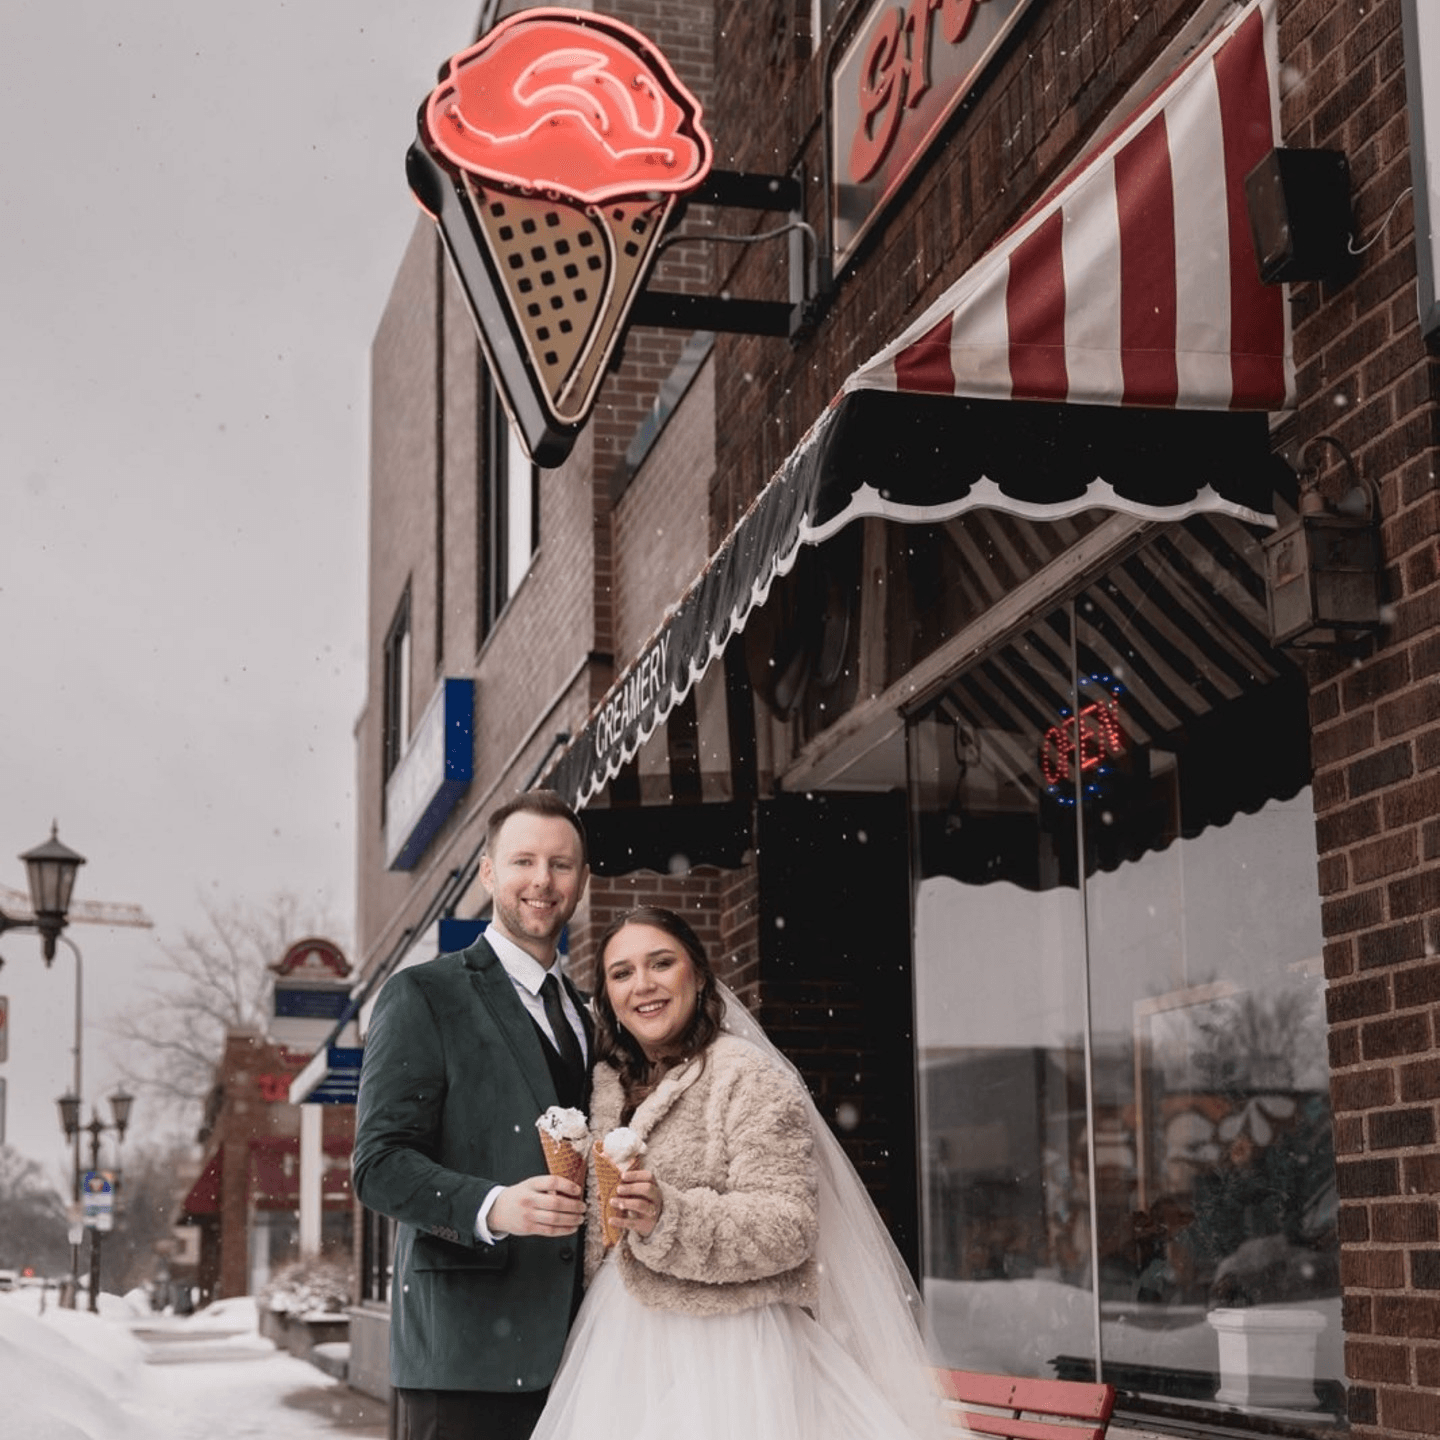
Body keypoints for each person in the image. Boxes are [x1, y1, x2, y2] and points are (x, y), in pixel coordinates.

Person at [530, 905, 950, 1440]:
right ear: (607, 998)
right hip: (613, 1345)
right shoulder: (605, 1089)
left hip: (730, 1351)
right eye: (622, 973)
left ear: (699, 975)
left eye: (661, 963)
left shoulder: (746, 1076)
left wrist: (670, 1217)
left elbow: (790, 1225)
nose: (643, 985)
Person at [352, 790, 594, 1440]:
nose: (542, 880)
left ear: (582, 880)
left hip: (588, 1357)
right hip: (465, 1361)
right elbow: (378, 1167)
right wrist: (492, 1206)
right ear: (488, 873)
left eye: (561, 864)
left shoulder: (591, 1013)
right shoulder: (424, 995)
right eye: (523, 861)